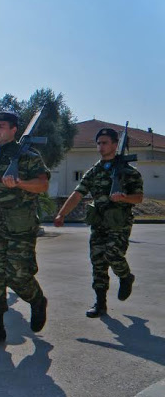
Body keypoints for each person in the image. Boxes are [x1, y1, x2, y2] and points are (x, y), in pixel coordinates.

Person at [0, 112, 49, 349]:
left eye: (2, 126)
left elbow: (42, 185)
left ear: (14, 130)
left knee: (18, 276)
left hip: (19, 229)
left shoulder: (28, 157)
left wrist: (19, 182)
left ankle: (37, 300)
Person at [54, 127, 143, 318]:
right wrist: (62, 214)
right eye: (98, 143)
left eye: (105, 143)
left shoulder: (129, 172)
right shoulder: (94, 171)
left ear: (115, 144)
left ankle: (126, 277)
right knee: (97, 262)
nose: (100, 147)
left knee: (113, 254)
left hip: (119, 223)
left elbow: (139, 198)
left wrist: (124, 198)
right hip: (99, 222)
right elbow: (78, 194)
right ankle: (100, 304)